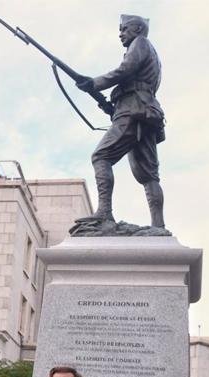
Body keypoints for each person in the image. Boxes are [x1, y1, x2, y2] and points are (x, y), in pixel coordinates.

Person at [74, 14, 165, 232]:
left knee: (101, 156)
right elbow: (133, 82)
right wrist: (111, 107)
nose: (120, 34)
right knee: (149, 176)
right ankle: (159, 226)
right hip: (144, 112)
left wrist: (95, 83)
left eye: (124, 29)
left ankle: (105, 212)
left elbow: (125, 69)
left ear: (138, 29)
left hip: (133, 111)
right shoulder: (149, 52)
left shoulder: (140, 43)